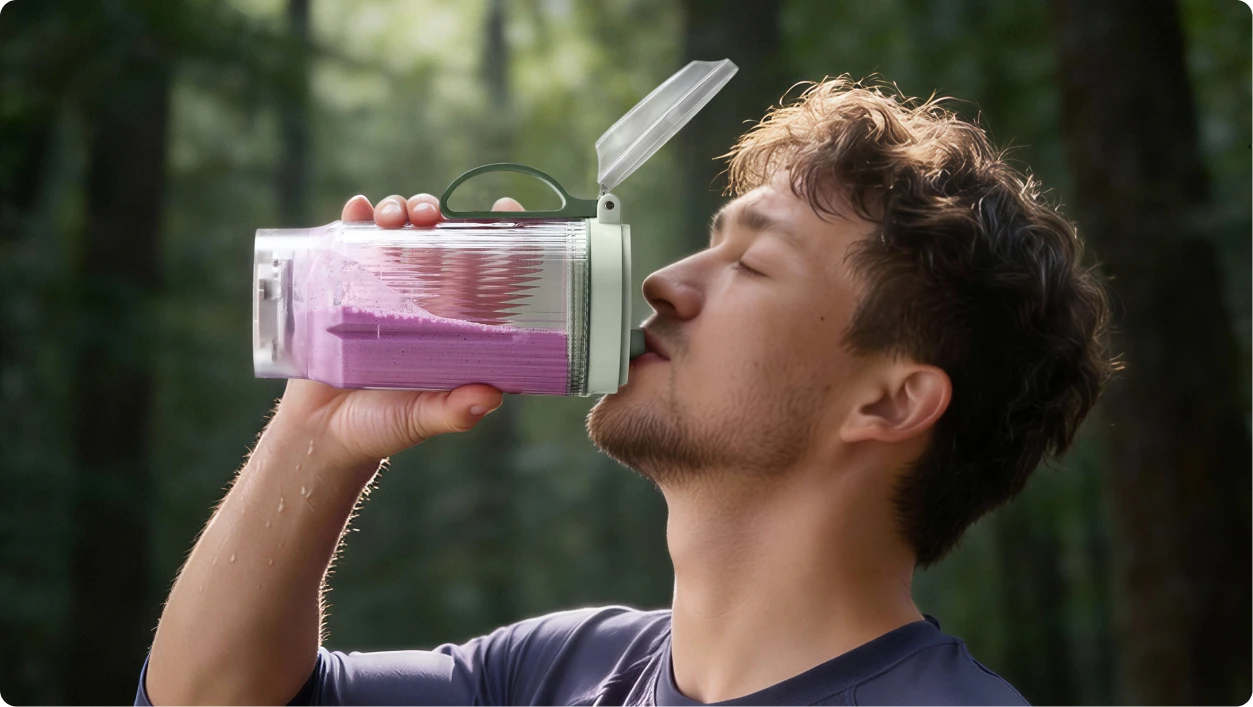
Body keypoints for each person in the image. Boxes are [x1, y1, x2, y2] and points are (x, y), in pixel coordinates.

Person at [137, 77, 1113, 707]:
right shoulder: (555, 672)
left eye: (752, 265)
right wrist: (323, 425)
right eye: (709, 239)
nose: (665, 281)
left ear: (890, 403)